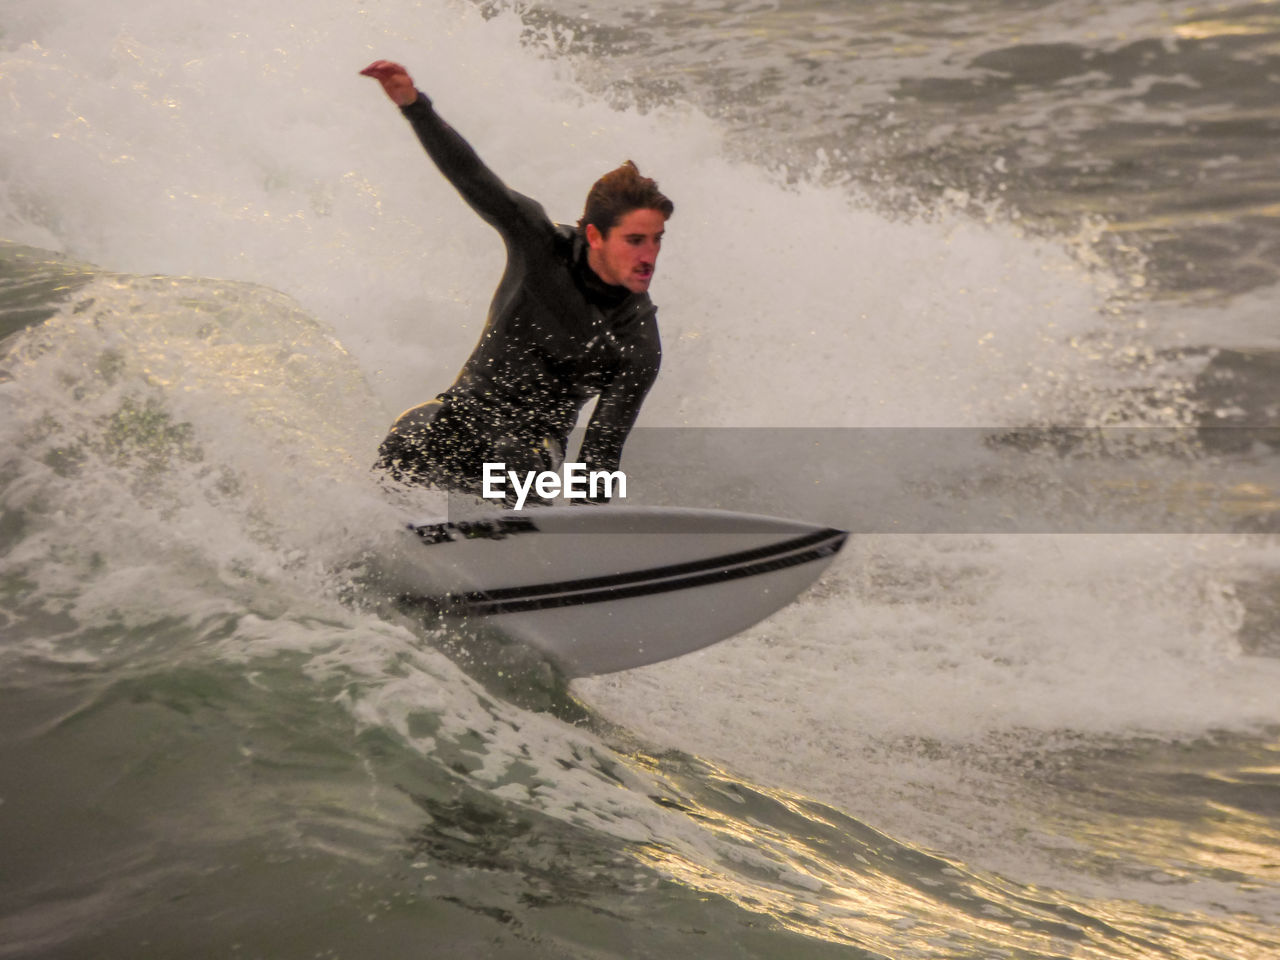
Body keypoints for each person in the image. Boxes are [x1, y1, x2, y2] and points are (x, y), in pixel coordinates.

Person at [361, 60, 672, 501]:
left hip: (531, 452)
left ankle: (517, 547)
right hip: (464, 415)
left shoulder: (636, 340)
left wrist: (593, 546)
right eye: (635, 240)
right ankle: (385, 535)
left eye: (656, 240)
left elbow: (600, 458)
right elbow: (474, 178)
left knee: (514, 457)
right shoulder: (539, 246)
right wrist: (416, 108)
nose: (649, 256)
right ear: (595, 236)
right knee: (412, 429)